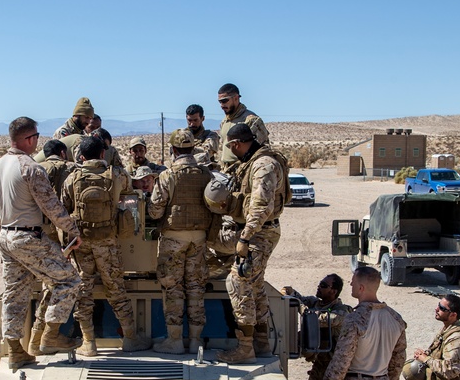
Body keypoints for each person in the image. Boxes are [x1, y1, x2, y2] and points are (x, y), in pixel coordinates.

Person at [0, 117, 83, 366]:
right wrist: (73, 232)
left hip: (6, 237)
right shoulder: (30, 168)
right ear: (30, 139)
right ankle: (51, 336)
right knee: (69, 280)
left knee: (14, 294)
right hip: (28, 236)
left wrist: (6, 230)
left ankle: (16, 351)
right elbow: (51, 207)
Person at [62, 136, 153, 355]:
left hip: (81, 244)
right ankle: (130, 338)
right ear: (103, 154)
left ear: (81, 157)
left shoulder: (72, 178)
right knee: (116, 289)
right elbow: (129, 194)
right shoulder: (118, 174)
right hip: (108, 242)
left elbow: (64, 207)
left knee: (84, 291)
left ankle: (88, 342)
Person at [217, 123, 290, 363]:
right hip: (261, 231)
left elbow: (261, 206)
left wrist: (245, 237)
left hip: (259, 233)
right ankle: (261, 343)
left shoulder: (263, 165)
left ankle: (245, 347)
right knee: (256, 285)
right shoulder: (256, 161)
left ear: (236, 144)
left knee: (238, 281)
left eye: (231, 147)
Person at [147, 128, 213, 353]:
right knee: (196, 287)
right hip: (200, 238)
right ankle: (196, 341)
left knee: (173, 287)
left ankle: (174, 340)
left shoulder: (167, 176)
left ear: (173, 150)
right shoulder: (206, 174)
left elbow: (155, 211)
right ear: (193, 148)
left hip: (173, 238)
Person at [27, 139, 79, 356]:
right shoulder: (73, 170)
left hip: (40, 235)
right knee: (71, 283)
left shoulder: (35, 171)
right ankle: (48, 337)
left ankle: (36, 337)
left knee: (49, 286)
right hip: (65, 232)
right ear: (62, 153)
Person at [217, 83, 270, 169]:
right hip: (226, 171)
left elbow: (263, 149)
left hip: (243, 169)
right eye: (220, 102)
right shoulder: (224, 121)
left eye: (224, 101)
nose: (222, 105)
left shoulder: (251, 120)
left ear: (236, 98)